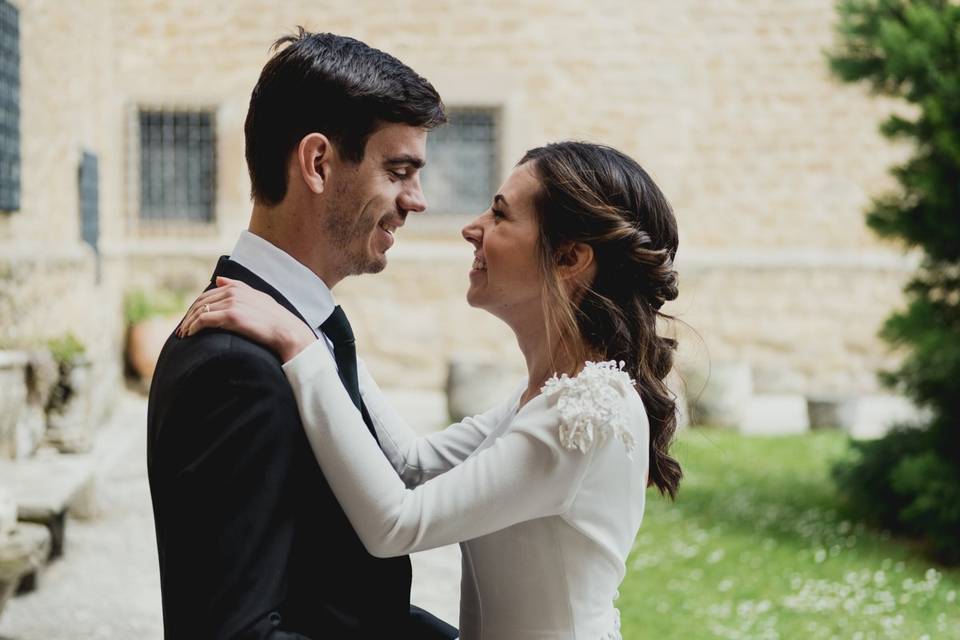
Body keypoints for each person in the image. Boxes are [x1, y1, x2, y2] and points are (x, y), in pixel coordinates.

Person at [179, 141, 684, 639]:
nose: (472, 228)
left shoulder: (586, 413)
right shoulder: (545, 396)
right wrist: (315, 323)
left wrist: (297, 345)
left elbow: (397, 524)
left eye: (500, 215)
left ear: (570, 257)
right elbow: (411, 464)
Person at [146, 29, 458, 639]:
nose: (416, 200)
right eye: (398, 171)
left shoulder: (307, 330)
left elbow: (351, 606)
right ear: (318, 163)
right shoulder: (234, 367)